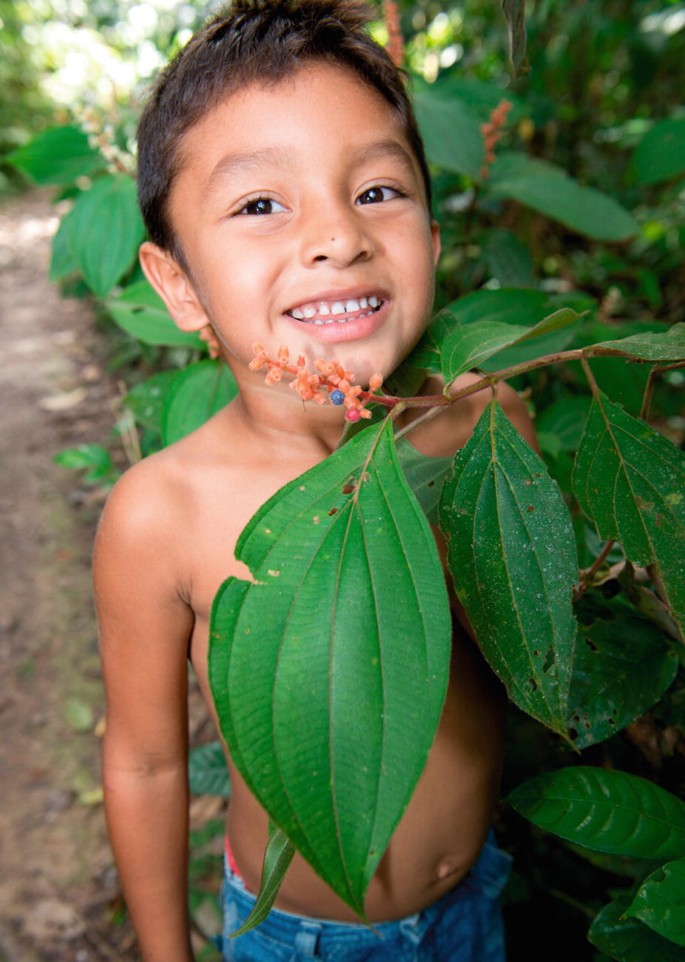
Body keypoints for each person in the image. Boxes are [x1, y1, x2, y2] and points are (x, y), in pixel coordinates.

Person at [94, 2, 538, 960]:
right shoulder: (163, 512)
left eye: (378, 189)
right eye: (261, 205)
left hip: (473, 904)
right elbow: (144, 760)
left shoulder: (487, 423)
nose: (338, 235)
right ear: (177, 287)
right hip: (298, 939)